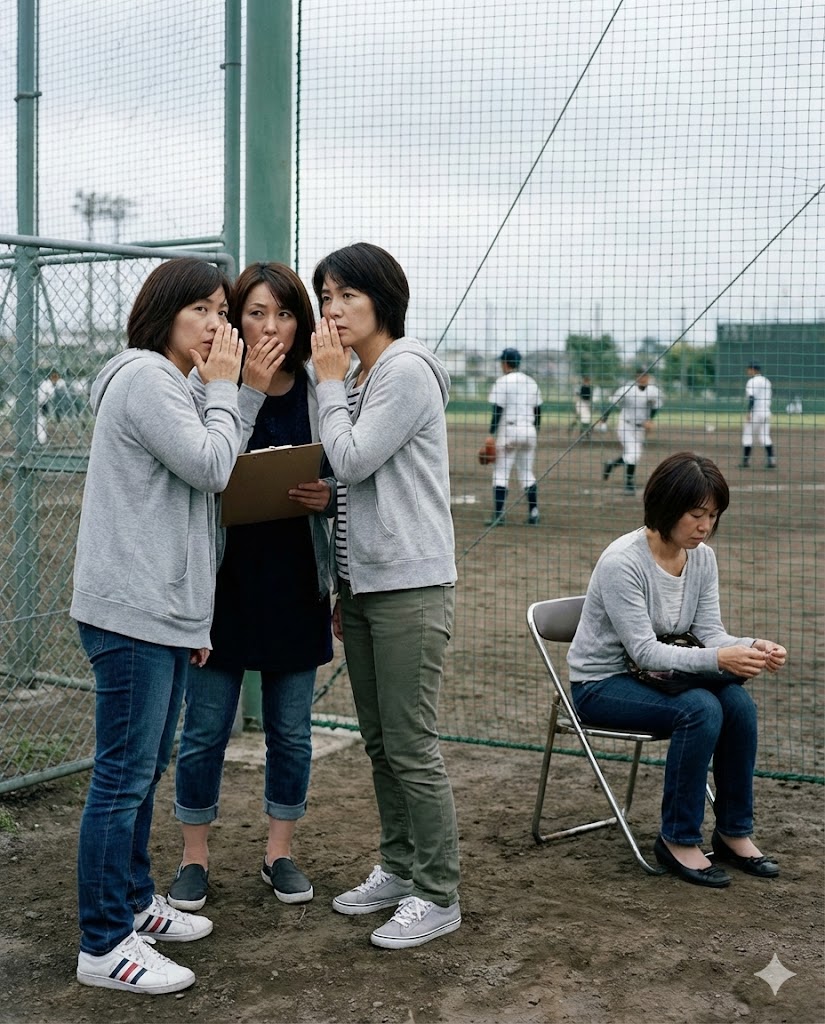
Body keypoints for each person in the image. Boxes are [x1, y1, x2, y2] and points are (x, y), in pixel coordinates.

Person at [71, 258, 257, 995]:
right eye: (203, 310)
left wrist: (194, 616)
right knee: (121, 779)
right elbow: (215, 466)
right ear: (164, 313)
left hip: (163, 611)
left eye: (222, 311)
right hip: (132, 611)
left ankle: (129, 905)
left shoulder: (174, 385)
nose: (219, 324)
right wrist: (228, 390)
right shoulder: (148, 378)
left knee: (143, 772)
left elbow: (194, 502)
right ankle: (101, 944)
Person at [167, 262, 335, 913]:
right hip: (221, 588)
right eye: (256, 313)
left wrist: (327, 497)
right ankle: (193, 858)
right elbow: (194, 479)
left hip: (296, 586)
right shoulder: (211, 384)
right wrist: (248, 390)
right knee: (204, 730)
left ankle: (279, 852)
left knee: (291, 732)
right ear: (236, 320)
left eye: (284, 313)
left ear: (301, 322)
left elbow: (346, 471)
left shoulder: (318, 391)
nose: (270, 326)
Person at [309, 242, 461, 949]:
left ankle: (437, 891)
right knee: (380, 744)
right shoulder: (367, 375)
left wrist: (326, 381)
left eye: (344, 295)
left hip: (408, 584)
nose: (330, 310)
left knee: (410, 746)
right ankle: (400, 869)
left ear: (382, 300)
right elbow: (352, 477)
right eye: (325, 297)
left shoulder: (400, 369)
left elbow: (353, 455)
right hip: (366, 583)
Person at [568, 451, 786, 888]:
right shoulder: (623, 562)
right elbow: (645, 652)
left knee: (738, 704)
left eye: (713, 515)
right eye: (696, 514)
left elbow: (710, 633)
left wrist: (750, 646)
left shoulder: (701, 557)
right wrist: (718, 659)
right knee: (701, 708)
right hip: (602, 683)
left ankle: (732, 832)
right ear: (667, 506)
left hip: (659, 678)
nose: (705, 527)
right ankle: (678, 839)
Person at [482, 347, 542, 526]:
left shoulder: (503, 381)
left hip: (509, 431)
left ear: (505, 363)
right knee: (526, 473)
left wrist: (491, 434)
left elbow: (497, 410)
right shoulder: (531, 382)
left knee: (501, 472)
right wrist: (534, 432)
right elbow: (538, 411)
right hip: (530, 431)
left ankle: (499, 515)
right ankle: (534, 513)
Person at [602, 367, 662, 495]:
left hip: (640, 428)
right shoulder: (626, 390)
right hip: (625, 426)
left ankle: (611, 464)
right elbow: (612, 403)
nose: (644, 378)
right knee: (634, 453)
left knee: (634, 454)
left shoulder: (653, 391)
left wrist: (650, 420)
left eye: (646, 376)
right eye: (642, 375)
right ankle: (629, 484)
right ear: (637, 377)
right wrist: (605, 418)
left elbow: (656, 407)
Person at [740, 362, 775, 468]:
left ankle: (746, 461)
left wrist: (749, 412)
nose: (748, 371)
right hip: (766, 411)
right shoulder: (766, 381)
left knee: (747, 435)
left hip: (756, 412)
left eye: (749, 369)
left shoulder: (752, 381)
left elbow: (751, 398)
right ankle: (771, 459)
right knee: (765, 436)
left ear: (753, 370)